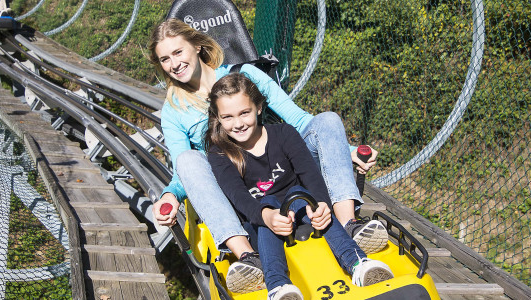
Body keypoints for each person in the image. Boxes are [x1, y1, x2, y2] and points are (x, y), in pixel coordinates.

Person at [147, 18, 386, 294]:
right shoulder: (175, 109)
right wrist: (170, 194)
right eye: (165, 59)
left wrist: (346, 151)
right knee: (189, 160)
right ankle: (248, 256)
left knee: (328, 120)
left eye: (178, 52)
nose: (174, 64)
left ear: (198, 46)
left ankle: (348, 223)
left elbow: (299, 120)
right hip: (234, 183)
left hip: (279, 164)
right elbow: (183, 170)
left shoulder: (245, 74)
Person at [204, 73, 394, 299]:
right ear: (219, 118)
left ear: (258, 107)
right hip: (262, 224)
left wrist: (322, 205)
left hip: (301, 211)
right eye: (228, 117)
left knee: (300, 193)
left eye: (244, 112)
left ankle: (357, 263)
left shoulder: (284, 134)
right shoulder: (220, 153)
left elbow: (311, 175)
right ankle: (277, 286)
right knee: (268, 203)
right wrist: (267, 217)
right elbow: (238, 197)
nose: (237, 123)